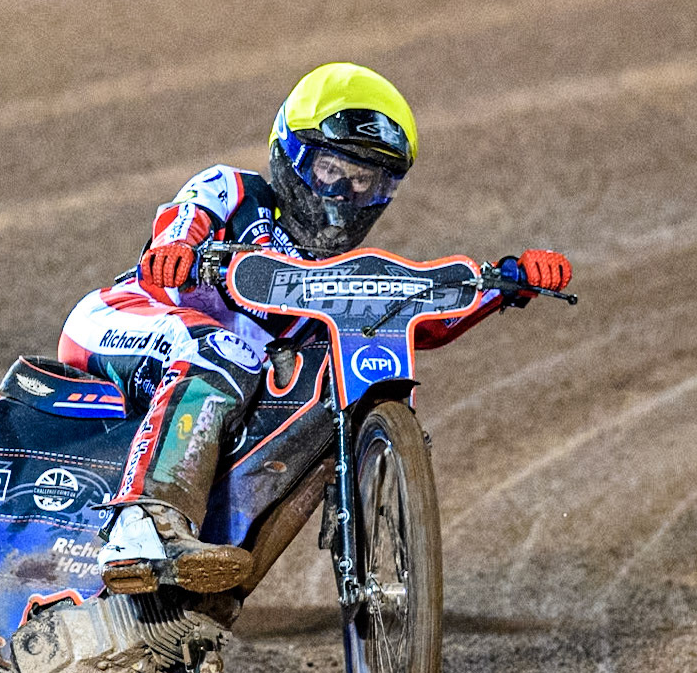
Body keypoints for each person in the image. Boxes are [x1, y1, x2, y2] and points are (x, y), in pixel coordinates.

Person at [58, 62, 572, 595]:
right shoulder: (235, 189)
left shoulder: (341, 279)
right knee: (221, 349)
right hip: (122, 319)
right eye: (333, 169)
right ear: (294, 156)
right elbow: (187, 214)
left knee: (325, 418)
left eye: (363, 179)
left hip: (216, 380)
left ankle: (209, 601)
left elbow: (423, 321)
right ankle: (144, 526)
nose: (345, 192)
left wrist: (509, 282)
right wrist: (176, 247)